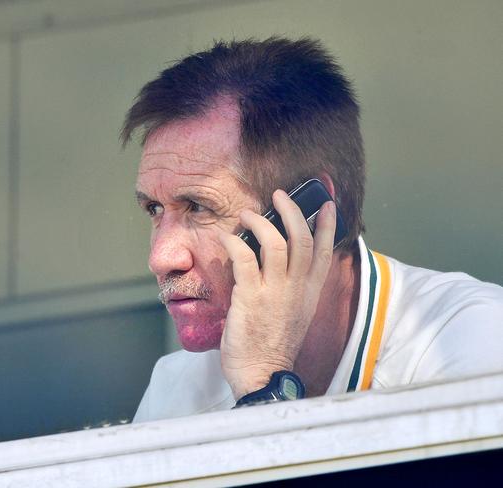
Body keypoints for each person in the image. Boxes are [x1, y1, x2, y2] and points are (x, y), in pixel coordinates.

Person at [120, 37, 503, 422]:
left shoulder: (472, 342)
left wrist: (263, 390)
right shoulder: (177, 388)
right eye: (154, 208)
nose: (160, 258)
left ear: (309, 214)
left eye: (199, 207)